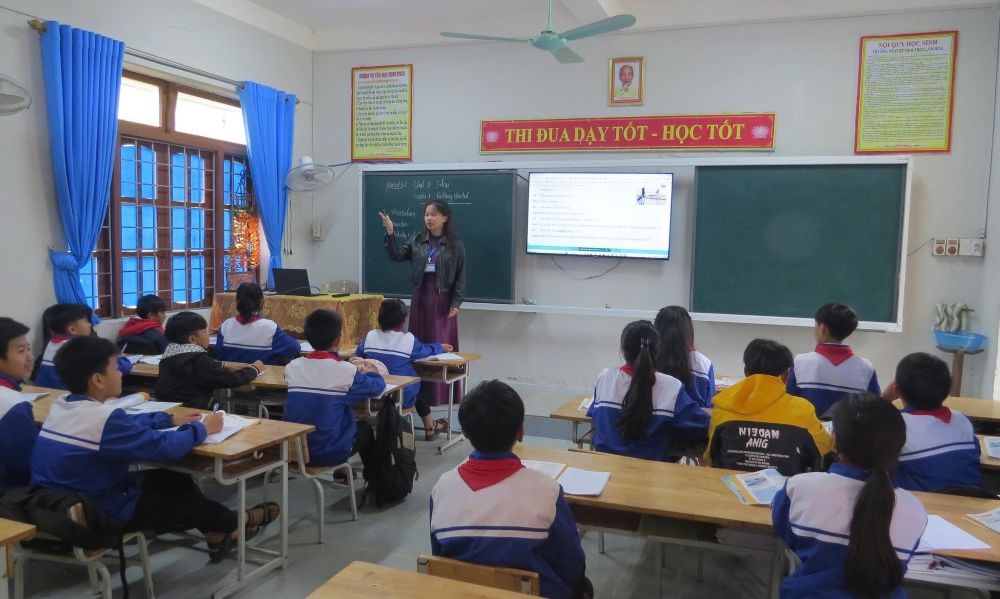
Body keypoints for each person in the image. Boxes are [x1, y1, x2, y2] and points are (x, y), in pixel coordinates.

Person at [31, 336, 279, 561]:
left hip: (57, 506)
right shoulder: (104, 420)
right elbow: (165, 448)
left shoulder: (64, 407)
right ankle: (236, 524)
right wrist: (203, 429)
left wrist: (169, 419)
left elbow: (127, 424)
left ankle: (219, 533)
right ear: (97, 380)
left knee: (170, 478)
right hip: (96, 515)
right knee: (181, 498)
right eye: (116, 367)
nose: (121, 374)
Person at [430, 380, 592, 599]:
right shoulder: (547, 491)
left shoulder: (442, 488)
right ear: (521, 432)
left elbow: (440, 559)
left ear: (465, 433)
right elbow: (572, 565)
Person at [772, 393, 926, 599]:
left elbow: (787, 534)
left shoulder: (799, 488)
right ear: (897, 448)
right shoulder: (913, 509)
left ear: (834, 441)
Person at [379, 201, 465, 408]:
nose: (428, 218)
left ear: (445, 218)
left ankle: (442, 395)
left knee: (439, 343)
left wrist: (456, 301)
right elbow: (396, 255)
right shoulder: (417, 241)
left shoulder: (455, 245)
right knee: (418, 342)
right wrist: (390, 233)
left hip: (442, 298)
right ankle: (420, 391)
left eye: (434, 214)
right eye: (426, 214)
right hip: (420, 296)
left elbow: (461, 276)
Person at [705, 339, 832, 475]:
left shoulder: (723, 407)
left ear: (746, 371)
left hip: (729, 486)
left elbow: (710, 457)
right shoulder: (803, 410)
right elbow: (824, 448)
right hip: (784, 491)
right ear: (785, 376)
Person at [588, 320, 709, 461]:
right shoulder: (672, 387)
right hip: (652, 476)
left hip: (605, 470)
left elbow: (593, 414)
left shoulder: (604, 379)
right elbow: (703, 424)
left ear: (623, 351)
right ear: (657, 351)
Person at [283, 309, 386, 467]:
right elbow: (377, 388)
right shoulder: (344, 371)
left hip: (292, 451)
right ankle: (373, 482)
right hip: (326, 453)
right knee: (364, 428)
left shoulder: (292, 367)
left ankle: (343, 474)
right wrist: (372, 372)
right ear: (338, 340)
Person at [356, 299, 453, 440]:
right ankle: (430, 428)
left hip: (372, 395)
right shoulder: (407, 340)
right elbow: (425, 351)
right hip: (397, 397)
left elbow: (359, 354)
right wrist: (441, 347)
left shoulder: (370, 336)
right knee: (421, 392)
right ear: (403, 320)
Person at [884, 352, 982, 492]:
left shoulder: (895, 425)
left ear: (897, 390)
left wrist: (883, 399)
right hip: (973, 502)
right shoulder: (962, 420)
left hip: (924, 508)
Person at [786, 302, 879, 418]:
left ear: (822, 328)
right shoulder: (865, 368)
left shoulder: (800, 363)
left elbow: (788, 403)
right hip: (848, 435)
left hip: (806, 434)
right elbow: (873, 407)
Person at [156, 311, 263, 409]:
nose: (208, 335)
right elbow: (233, 379)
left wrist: (221, 365)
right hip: (194, 411)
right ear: (192, 339)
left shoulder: (168, 356)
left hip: (168, 409)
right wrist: (254, 369)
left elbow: (201, 370)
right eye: (205, 332)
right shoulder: (198, 360)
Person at [35, 303, 132, 389]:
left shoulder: (51, 344)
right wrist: (122, 357)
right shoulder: (84, 347)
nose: (90, 324)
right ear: (72, 329)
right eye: (86, 321)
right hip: (72, 399)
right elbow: (122, 368)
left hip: (48, 395)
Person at [216, 283, 301, 365]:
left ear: (236, 301)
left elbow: (219, 354)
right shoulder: (269, 327)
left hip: (231, 377)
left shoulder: (226, 325)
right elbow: (294, 348)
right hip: (262, 376)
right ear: (261, 302)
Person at [0, 317, 38, 487]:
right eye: (21, 351)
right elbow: (27, 465)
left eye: (29, 349)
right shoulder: (12, 404)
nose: (30, 358)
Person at [653, 305, 716, 407]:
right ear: (689, 330)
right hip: (694, 422)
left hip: (658, 422)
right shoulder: (703, 363)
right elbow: (710, 406)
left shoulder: (649, 360)